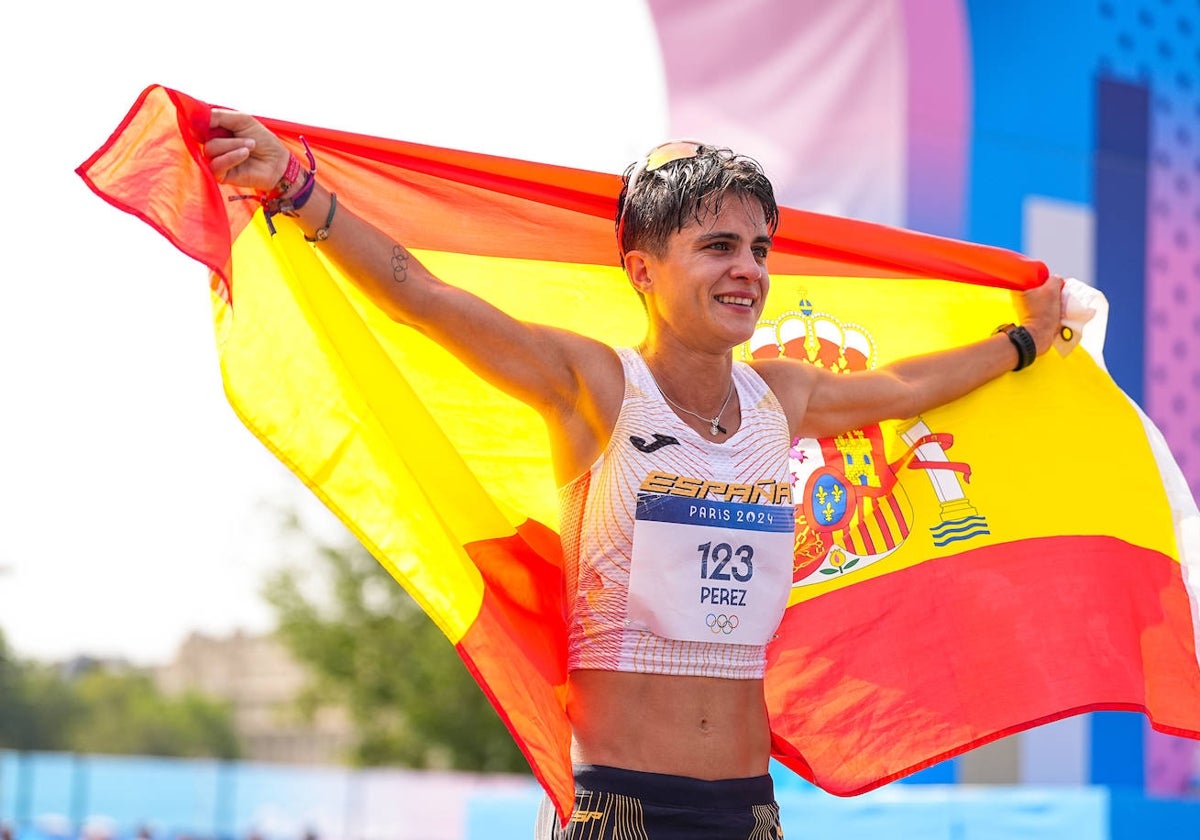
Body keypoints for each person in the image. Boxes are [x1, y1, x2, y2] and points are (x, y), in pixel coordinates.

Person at [204, 116, 1063, 839]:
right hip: (618, 810)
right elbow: (419, 295)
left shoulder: (782, 396)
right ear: (643, 270)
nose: (749, 270)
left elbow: (908, 386)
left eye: (761, 249)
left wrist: (1021, 343)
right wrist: (297, 188)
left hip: (750, 811)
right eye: (718, 246)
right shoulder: (595, 387)